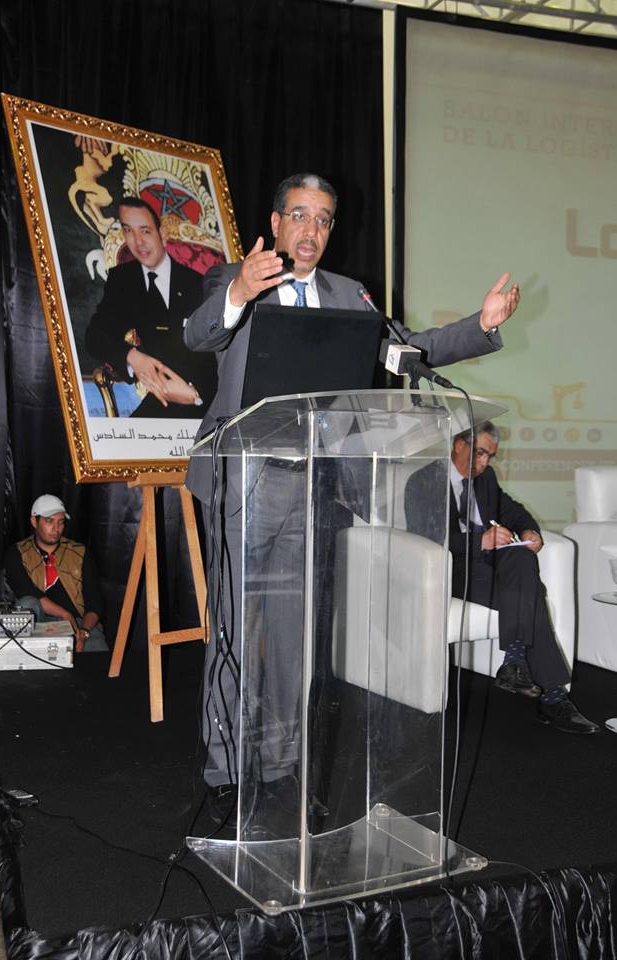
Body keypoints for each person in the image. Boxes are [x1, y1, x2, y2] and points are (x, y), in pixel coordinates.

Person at [182, 172, 523, 825]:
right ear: (276, 223)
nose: (310, 230)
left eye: (323, 219)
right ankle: (227, 771)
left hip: (312, 477)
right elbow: (200, 335)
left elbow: (410, 350)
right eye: (299, 215)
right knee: (234, 626)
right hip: (243, 473)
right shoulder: (234, 278)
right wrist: (240, 291)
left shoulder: (350, 295)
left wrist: (479, 326)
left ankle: (279, 764)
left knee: (292, 634)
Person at [405, 422, 599, 734]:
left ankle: (514, 661)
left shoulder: (486, 479)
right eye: (480, 453)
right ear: (458, 444)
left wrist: (529, 530)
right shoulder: (422, 480)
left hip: (490, 566)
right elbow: (424, 537)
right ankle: (552, 698)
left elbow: (514, 510)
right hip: (450, 568)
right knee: (531, 594)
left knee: (522, 557)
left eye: (490, 457)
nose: (484, 463)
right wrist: (480, 540)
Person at [85, 197, 216, 418]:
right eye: (129, 231)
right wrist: (132, 357)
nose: (138, 242)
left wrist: (195, 395)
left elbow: (220, 354)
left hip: (206, 399)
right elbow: (95, 336)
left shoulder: (196, 283)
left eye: (145, 231)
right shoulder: (123, 280)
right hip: (160, 401)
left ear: (162, 234)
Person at [4, 494, 107, 653]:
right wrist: (64, 614)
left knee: (98, 651)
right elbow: (26, 590)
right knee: (26, 604)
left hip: (78, 623)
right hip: (38, 624)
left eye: (60, 522)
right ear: (34, 521)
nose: (56, 528)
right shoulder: (17, 552)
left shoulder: (80, 552)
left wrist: (83, 633)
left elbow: (95, 604)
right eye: (49, 521)